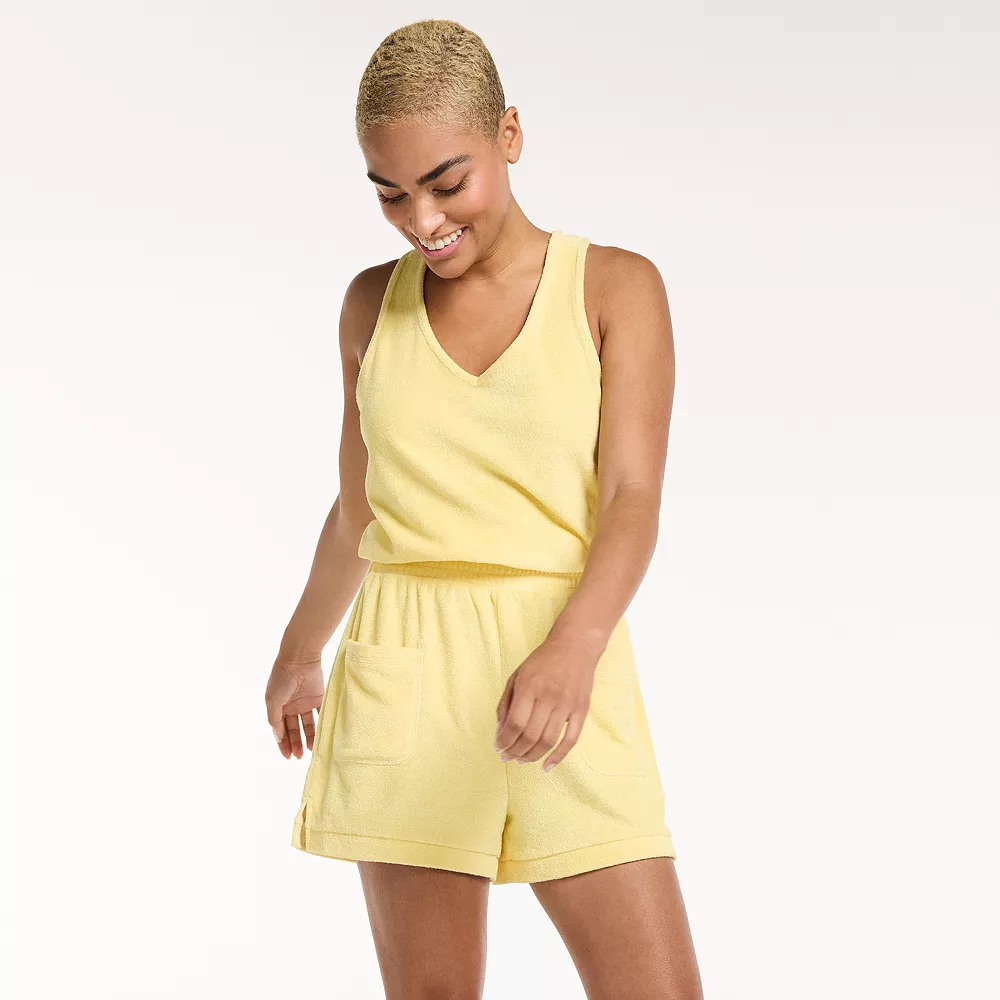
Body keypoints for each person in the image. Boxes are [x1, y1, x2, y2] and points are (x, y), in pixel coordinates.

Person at [264, 18, 704, 1000]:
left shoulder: (615, 287)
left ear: (509, 134)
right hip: (403, 665)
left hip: (563, 657)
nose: (421, 219)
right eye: (390, 192)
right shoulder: (369, 306)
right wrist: (299, 650)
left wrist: (575, 646)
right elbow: (358, 509)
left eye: (445, 182)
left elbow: (633, 498)